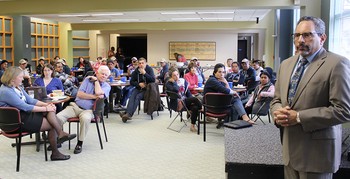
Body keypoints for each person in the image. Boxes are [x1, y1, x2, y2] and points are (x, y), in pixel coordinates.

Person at [270, 16, 350, 179]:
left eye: (307, 35)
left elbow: (343, 110)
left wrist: (299, 117)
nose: (300, 40)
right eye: (297, 35)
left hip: (317, 155)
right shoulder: (286, 64)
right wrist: (278, 112)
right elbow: (276, 100)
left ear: (322, 38)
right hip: (289, 152)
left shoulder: (337, 64)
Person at [0, 66, 76, 161]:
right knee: (52, 124)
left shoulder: (17, 87)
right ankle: (56, 148)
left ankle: (59, 136)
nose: (23, 79)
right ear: (13, 78)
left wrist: (47, 105)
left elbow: (30, 100)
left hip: (23, 115)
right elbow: (25, 106)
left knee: (50, 113)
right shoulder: (6, 91)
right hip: (16, 122)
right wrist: (45, 108)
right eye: (20, 77)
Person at [57, 65, 111, 154]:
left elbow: (99, 93)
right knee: (58, 117)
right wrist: (94, 97)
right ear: (97, 73)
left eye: (106, 75)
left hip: (89, 110)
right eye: (102, 74)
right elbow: (79, 94)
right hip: (75, 106)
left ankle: (80, 143)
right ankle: (58, 138)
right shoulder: (87, 80)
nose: (104, 76)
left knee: (85, 119)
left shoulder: (107, 86)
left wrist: (96, 81)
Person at [119, 57, 155, 122]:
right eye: (139, 63)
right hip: (138, 88)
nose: (141, 65)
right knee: (132, 95)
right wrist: (138, 84)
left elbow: (153, 80)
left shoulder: (149, 69)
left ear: (146, 63)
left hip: (147, 90)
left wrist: (145, 73)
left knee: (137, 97)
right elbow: (131, 82)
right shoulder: (136, 71)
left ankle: (128, 114)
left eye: (142, 63)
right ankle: (127, 114)